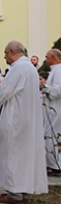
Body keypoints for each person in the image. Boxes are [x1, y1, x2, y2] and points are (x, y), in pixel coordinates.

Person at [0, 40, 47, 204]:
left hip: (15, 119)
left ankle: (14, 194)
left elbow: (5, 90)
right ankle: (20, 190)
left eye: (5, 54)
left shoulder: (18, 68)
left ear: (12, 51)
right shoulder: (30, 68)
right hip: (25, 118)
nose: (4, 57)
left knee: (12, 154)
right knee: (22, 156)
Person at [42, 48, 61, 176]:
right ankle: (51, 164)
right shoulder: (55, 70)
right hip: (50, 108)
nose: (45, 59)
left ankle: (55, 165)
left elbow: (57, 91)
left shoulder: (59, 71)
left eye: (47, 57)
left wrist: (43, 86)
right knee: (49, 134)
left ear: (54, 57)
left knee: (52, 134)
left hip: (56, 108)